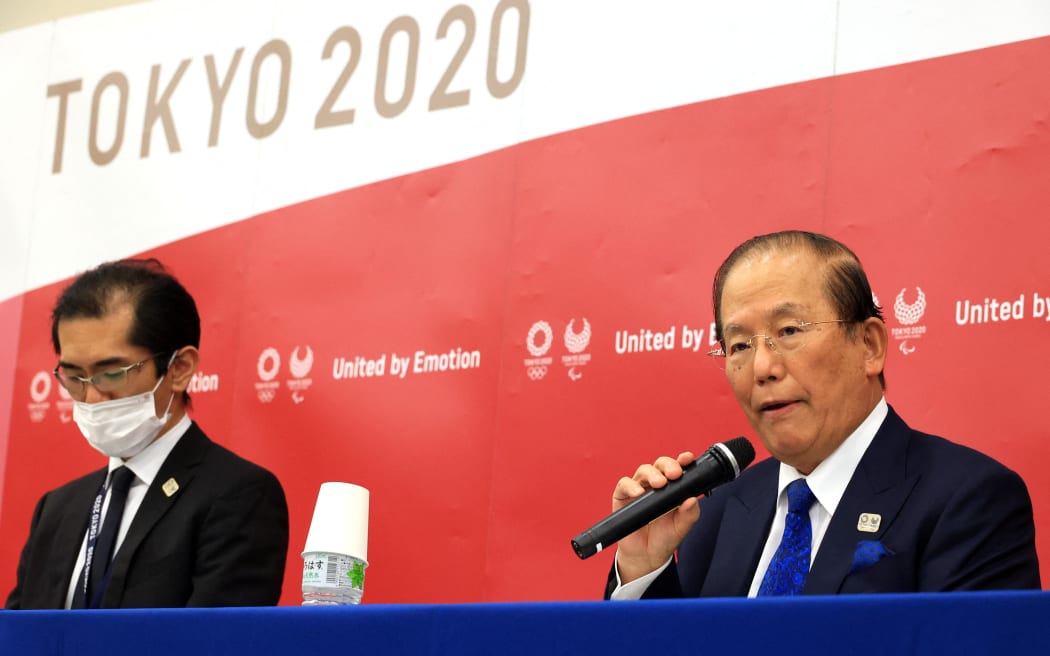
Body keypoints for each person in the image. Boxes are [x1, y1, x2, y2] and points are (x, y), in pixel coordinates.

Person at [606, 230, 1040, 598]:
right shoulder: (716, 514)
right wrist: (645, 568)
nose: (762, 368)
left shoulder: (967, 501)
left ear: (869, 345)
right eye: (739, 345)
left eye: (789, 331)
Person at [6, 259, 289, 609]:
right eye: (75, 377)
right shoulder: (58, 507)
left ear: (179, 369)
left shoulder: (238, 495)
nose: (92, 397)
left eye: (111, 374)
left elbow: (216, 643)